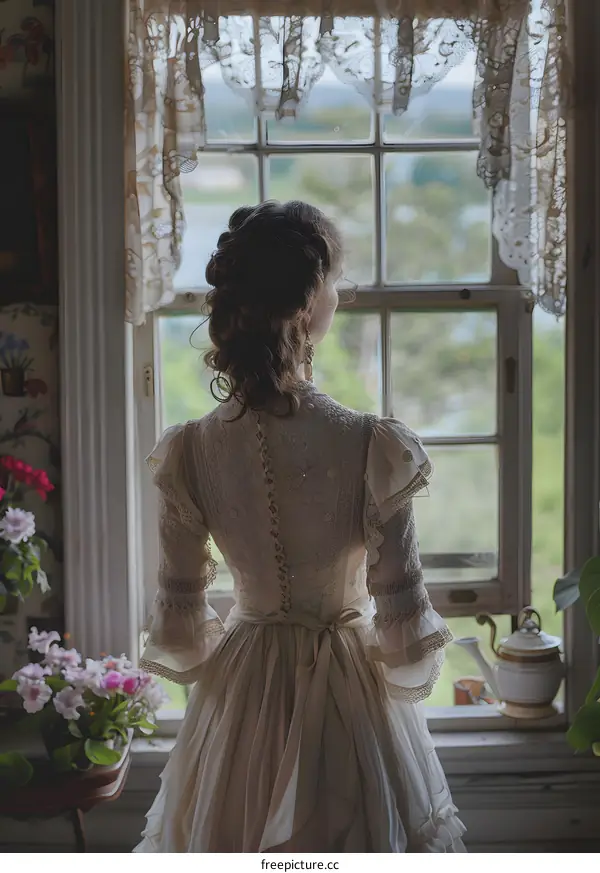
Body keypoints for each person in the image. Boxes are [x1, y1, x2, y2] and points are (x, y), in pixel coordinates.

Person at [134, 201, 466, 853]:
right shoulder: (370, 445)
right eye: (336, 282)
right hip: (345, 691)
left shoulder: (191, 450)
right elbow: (402, 617)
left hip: (243, 692)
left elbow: (181, 616)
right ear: (312, 300)